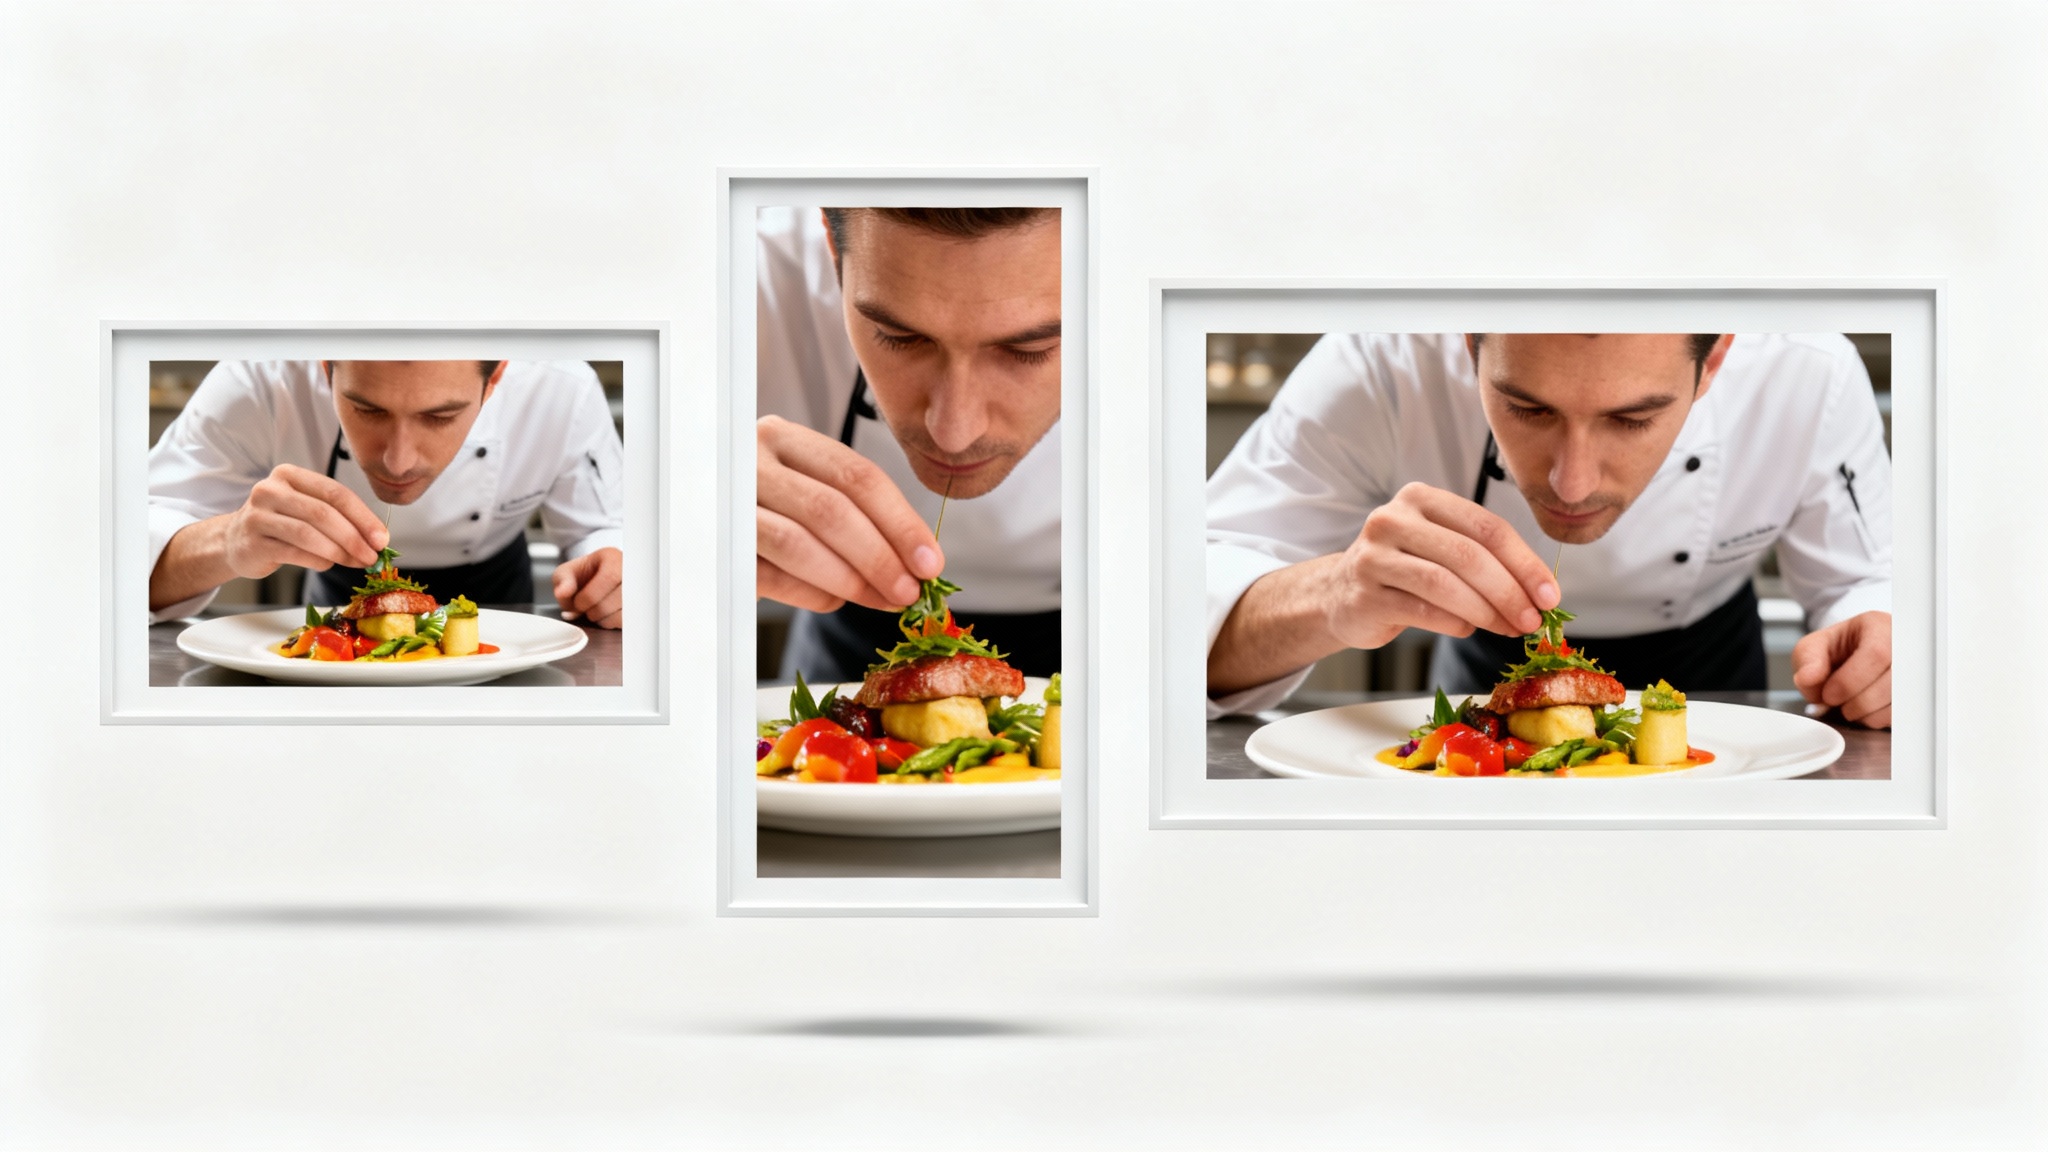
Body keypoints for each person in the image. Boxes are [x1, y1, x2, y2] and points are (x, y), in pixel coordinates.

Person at [1206, 333, 1893, 728]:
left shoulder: (1811, 372)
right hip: (1487, 676)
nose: (1574, 484)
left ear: (1712, 363)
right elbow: (1164, 628)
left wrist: (1881, 639)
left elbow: (1870, 579)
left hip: (1714, 674)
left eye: (1632, 420)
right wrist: (1330, 594)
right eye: (1527, 409)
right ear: (1472, 342)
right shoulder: (1379, 363)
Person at [756, 206, 1062, 682]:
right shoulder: (753, 275)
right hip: (844, 656)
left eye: (1029, 351)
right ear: (835, 250)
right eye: (900, 336)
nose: (954, 433)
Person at [148, 359, 626, 628]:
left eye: (439, 418)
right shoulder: (258, 381)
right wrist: (227, 542)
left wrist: (614, 569)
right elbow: (113, 568)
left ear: (494, 379)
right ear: (325, 368)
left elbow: (607, 528)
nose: (398, 462)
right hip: (339, 601)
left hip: (500, 601)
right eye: (367, 410)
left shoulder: (563, 388)